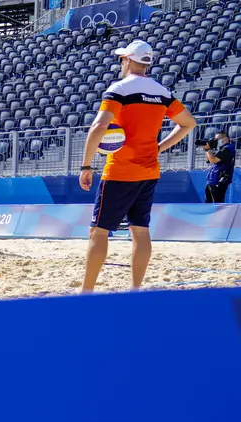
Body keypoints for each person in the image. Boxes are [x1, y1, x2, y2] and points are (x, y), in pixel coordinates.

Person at [79, 40, 196, 292]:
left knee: (98, 232)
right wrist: (158, 148)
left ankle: (86, 293)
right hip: (149, 170)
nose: (121, 62)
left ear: (128, 60)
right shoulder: (162, 93)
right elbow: (188, 123)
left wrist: (86, 166)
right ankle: (135, 290)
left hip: (120, 171)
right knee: (140, 231)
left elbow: (98, 126)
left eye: (122, 59)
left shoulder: (120, 88)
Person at [203, 130, 234, 203]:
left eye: (218, 139)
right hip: (212, 179)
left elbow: (213, 160)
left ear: (226, 139)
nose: (216, 141)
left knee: (217, 204)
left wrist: (208, 149)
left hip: (219, 180)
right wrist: (207, 149)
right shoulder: (219, 149)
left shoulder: (227, 148)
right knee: (208, 202)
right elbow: (208, 160)